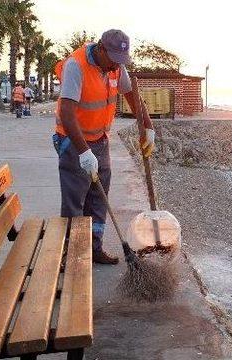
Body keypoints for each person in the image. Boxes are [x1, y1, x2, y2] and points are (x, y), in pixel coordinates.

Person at [53, 29, 155, 264]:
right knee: (75, 201)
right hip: (73, 141)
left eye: (120, 61)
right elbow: (67, 113)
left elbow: (132, 96)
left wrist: (148, 127)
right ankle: (73, 256)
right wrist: (83, 152)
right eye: (112, 60)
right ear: (100, 49)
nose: (115, 66)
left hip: (100, 139)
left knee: (99, 197)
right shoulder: (76, 66)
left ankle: (94, 248)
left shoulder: (116, 66)